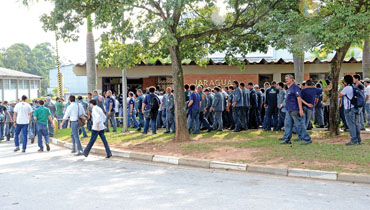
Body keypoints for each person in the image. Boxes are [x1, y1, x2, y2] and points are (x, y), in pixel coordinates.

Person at [280, 75, 312, 145]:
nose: (286, 80)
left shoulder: (295, 87)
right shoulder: (289, 89)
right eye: (285, 79)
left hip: (295, 110)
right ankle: (287, 139)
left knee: (299, 125)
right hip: (289, 110)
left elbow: (299, 98)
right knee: (288, 125)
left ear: (292, 79)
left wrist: (300, 109)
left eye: (287, 79)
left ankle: (307, 139)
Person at [339, 75, 362, 145]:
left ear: (345, 82)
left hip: (349, 109)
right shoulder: (355, 86)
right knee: (357, 124)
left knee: (351, 125)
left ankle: (354, 140)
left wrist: (342, 87)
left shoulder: (347, 88)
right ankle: (358, 139)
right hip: (357, 107)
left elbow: (339, 95)